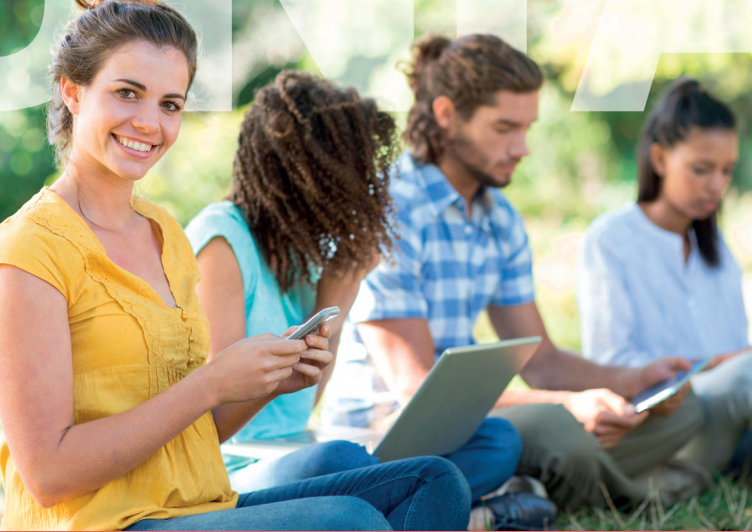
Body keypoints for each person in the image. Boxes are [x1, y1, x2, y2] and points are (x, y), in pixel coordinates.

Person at [0, 0, 472, 531]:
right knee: (349, 519)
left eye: (170, 104)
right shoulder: (29, 251)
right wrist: (208, 384)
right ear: (72, 90)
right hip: (104, 523)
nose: (149, 123)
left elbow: (195, 433)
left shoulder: (165, 234)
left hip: (195, 503)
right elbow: (49, 474)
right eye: (126, 93)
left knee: (430, 480)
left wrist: (265, 384)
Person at [321, 33, 706, 514]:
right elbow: (416, 392)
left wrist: (631, 379)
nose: (521, 147)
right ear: (446, 115)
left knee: (681, 409)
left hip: (476, 428)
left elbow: (542, 361)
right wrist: (566, 407)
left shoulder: (498, 217)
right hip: (385, 439)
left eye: (527, 127)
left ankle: (530, 491)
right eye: (504, 127)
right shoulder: (391, 209)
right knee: (552, 429)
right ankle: (638, 498)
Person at [185, 71, 538, 529]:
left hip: (300, 443)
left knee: (495, 439)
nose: (359, 194)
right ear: (302, 176)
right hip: (236, 467)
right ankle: (461, 516)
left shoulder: (301, 250)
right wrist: (280, 370)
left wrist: (340, 291)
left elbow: (304, 405)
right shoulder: (222, 241)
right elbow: (209, 424)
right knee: (339, 460)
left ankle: (424, 510)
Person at [578, 78, 752, 481]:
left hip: (731, 412)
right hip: (673, 419)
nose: (716, 185)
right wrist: (714, 365)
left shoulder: (715, 248)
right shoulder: (611, 240)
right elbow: (613, 363)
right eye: (701, 169)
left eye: (726, 171)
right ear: (659, 160)